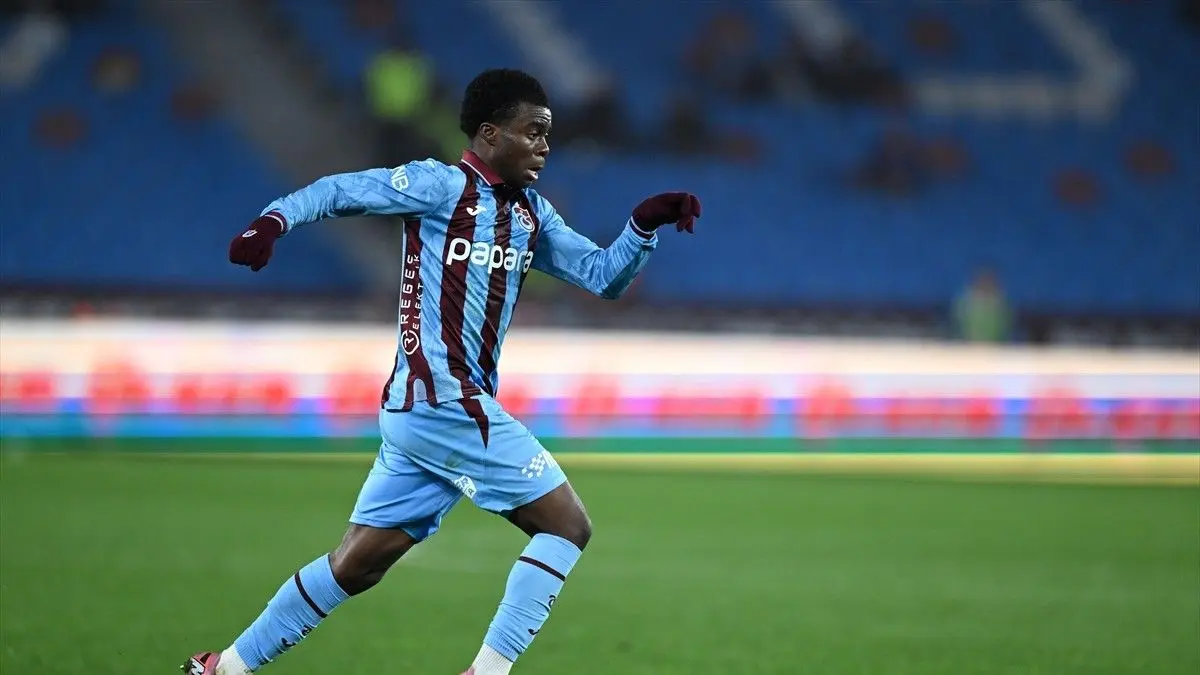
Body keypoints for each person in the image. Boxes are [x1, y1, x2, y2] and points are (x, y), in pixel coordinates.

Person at [183, 68, 702, 675]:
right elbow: (340, 190)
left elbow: (602, 277)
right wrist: (273, 220)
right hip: (445, 402)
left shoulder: (532, 215)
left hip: (419, 413)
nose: (544, 146)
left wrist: (642, 226)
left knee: (356, 565)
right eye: (533, 131)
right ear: (490, 133)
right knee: (567, 527)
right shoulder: (438, 186)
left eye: (548, 134)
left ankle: (225, 667)